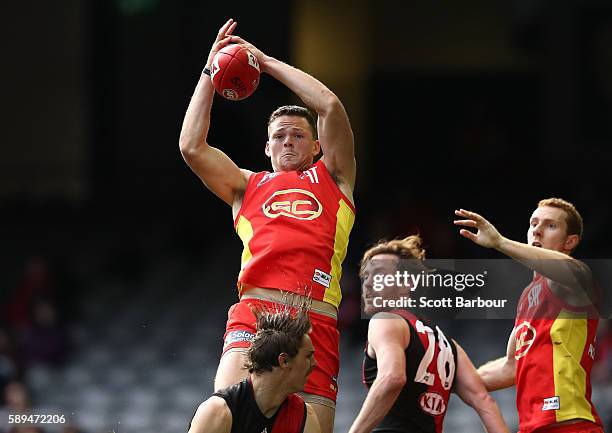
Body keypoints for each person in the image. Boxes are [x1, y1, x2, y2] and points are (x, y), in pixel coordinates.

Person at [179, 19, 356, 433]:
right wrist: (212, 70)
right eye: (279, 136)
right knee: (224, 416)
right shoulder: (245, 185)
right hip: (256, 314)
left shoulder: (335, 179)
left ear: (316, 146)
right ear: (266, 146)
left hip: (316, 325)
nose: (288, 141)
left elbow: (330, 106)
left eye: (298, 135)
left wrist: (266, 63)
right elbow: (191, 147)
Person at [454, 198, 604, 433]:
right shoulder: (527, 297)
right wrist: (449, 379)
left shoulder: (576, 278)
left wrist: (499, 242)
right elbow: (511, 367)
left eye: (550, 225)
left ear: (570, 241)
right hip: (531, 428)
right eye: (534, 223)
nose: (538, 230)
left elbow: (572, 272)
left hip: (570, 424)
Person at [349, 235, 510, 433]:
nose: (368, 284)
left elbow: (392, 377)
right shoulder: (449, 345)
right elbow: (485, 401)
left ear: (406, 284)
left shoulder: (385, 320)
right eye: (366, 276)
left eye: (379, 274)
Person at [188, 304, 321, 433]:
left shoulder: (305, 418)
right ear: (284, 361)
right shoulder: (217, 413)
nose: (315, 363)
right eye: (308, 356)